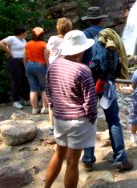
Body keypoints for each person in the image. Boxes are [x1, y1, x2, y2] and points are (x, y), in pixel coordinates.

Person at [80, 6, 133, 171]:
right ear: (102, 20)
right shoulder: (111, 34)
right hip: (107, 82)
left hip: (87, 82)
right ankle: (120, 158)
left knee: (88, 119)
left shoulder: (83, 35)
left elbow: (78, 58)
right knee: (113, 120)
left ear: (88, 20)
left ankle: (88, 159)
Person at [44, 30, 97, 188]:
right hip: (78, 121)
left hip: (60, 119)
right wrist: (91, 119)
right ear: (81, 49)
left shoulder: (53, 66)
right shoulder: (83, 70)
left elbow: (49, 93)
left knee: (59, 154)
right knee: (73, 162)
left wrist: (55, 110)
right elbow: (91, 102)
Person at [45, 17, 73, 133]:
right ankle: (67, 123)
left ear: (58, 27)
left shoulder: (52, 39)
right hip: (67, 70)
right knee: (67, 97)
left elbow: (46, 52)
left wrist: (48, 65)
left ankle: (52, 126)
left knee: (52, 98)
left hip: (53, 70)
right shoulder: (70, 40)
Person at [0, 27, 30, 109]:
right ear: (22, 33)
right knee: (16, 80)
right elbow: (0, 43)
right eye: (25, 32)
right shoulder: (12, 38)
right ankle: (16, 101)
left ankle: (25, 99)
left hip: (23, 61)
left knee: (24, 80)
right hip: (14, 61)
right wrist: (9, 52)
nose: (26, 34)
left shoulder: (23, 40)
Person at [23, 27, 49, 115]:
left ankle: (34, 109)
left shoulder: (28, 44)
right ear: (42, 35)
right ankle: (45, 108)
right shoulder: (44, 44)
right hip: (40, 66)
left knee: (33, 89)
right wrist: (49, 68)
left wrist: (26, 67)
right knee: (44, 88)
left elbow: (25, 57)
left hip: (29, 65)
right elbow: (46, 58)